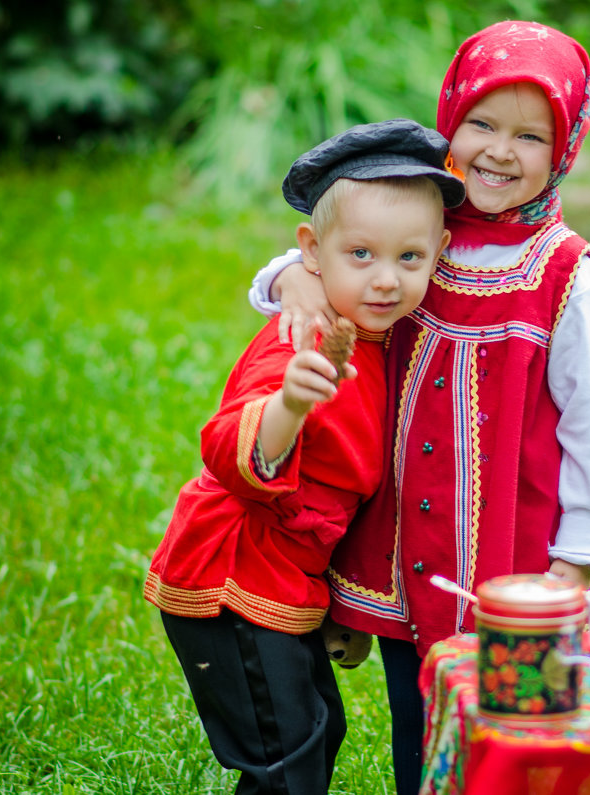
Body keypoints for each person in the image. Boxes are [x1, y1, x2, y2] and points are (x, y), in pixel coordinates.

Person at [247, 20, 590, 795]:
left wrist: (575, 561)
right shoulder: (426, 233)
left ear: (566, 149)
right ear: (449, 118)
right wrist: (294, 280)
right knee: (416, 720)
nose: (498, 150)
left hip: (511, 560)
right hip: (402, 553)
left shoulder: (564, 274)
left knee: (506, 731)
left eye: (529, 134)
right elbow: (336, 246)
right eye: (480, 122)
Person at [144, 118, 464, 795]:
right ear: (313, 251)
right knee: (285, 755)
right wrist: (289, 403)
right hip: (231, 579)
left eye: (410, 258)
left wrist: (337, 608)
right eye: (361, 255)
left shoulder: (380, 335)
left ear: (439, 252)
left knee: (315, 733)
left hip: (286, 583)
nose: (386, 279)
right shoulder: (302, 339)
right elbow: (229, 449)